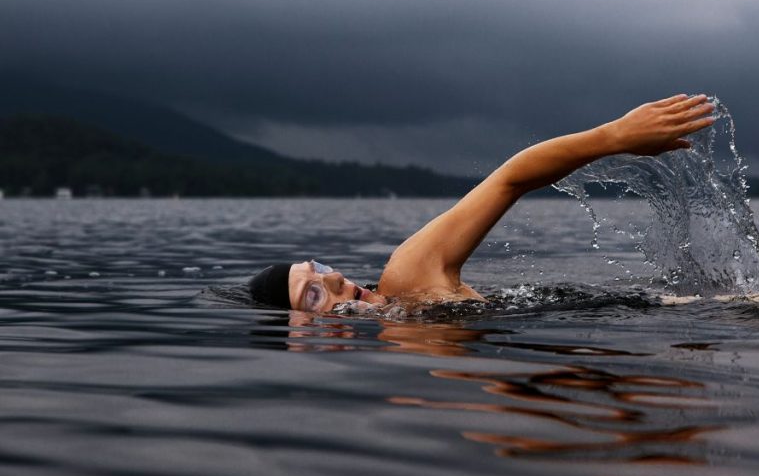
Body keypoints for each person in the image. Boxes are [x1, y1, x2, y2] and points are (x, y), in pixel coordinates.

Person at [248, 94, 716, 312]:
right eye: (313, 294)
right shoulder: (403, 364)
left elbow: (509, 180)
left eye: (320, 268)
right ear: (299, 338)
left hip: (685, 312)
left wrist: (614, 137)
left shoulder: (408, 278)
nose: (334, 277)